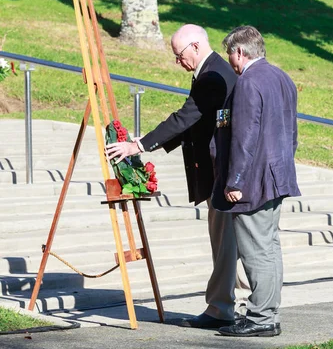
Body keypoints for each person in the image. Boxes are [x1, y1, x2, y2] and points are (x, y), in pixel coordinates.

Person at [106, 24, 249, 329]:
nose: (177, 62)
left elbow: (186, 116)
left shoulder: (212, 75)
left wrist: (140, 145)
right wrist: (146, 144)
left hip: (222, 175)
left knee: (225, 244)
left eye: (179, 55)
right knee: (229, 243)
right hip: (222, 172)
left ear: (196, 47)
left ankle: (222, 309)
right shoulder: (214, 70)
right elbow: (193, 123)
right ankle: (230, 305)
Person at [211, 26, 301, 338]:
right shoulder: (282, 78)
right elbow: (291, 132)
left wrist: (235, 180)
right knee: (269, 247)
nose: (230, 61)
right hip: (277, 175)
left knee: (256, 250)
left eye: (230, 54)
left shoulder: (248, 81)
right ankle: (268, 313)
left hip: (254, 180)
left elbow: (244, 137)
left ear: (239, 52)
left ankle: (262, 317)